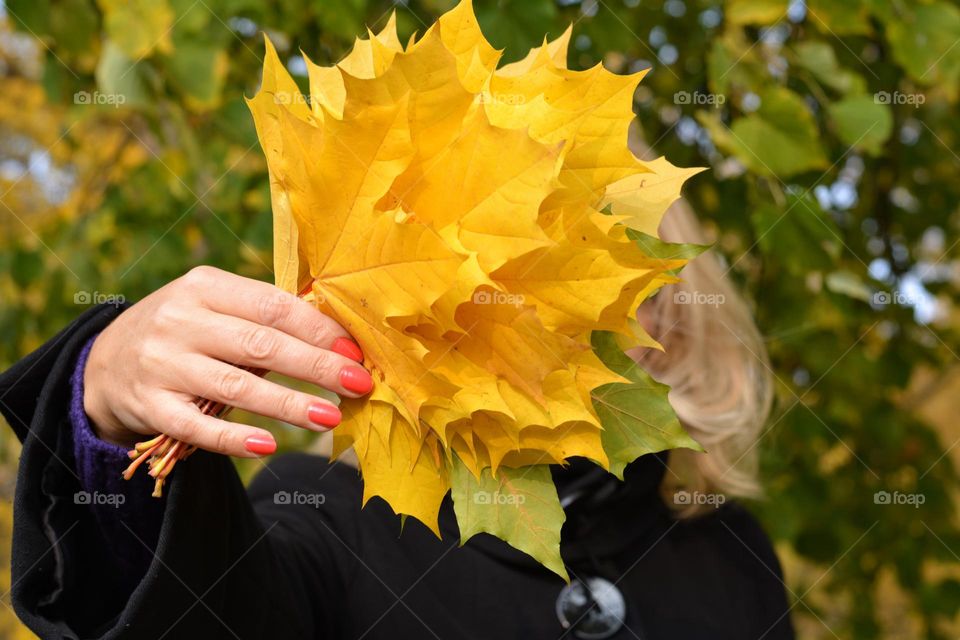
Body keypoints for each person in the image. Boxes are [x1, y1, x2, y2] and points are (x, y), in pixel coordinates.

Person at [0, 201, 795, 639]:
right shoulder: (333, 522)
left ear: (670, 314)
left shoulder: (729, 553)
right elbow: (203, 613)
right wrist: (106, 407)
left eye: (576, 258)